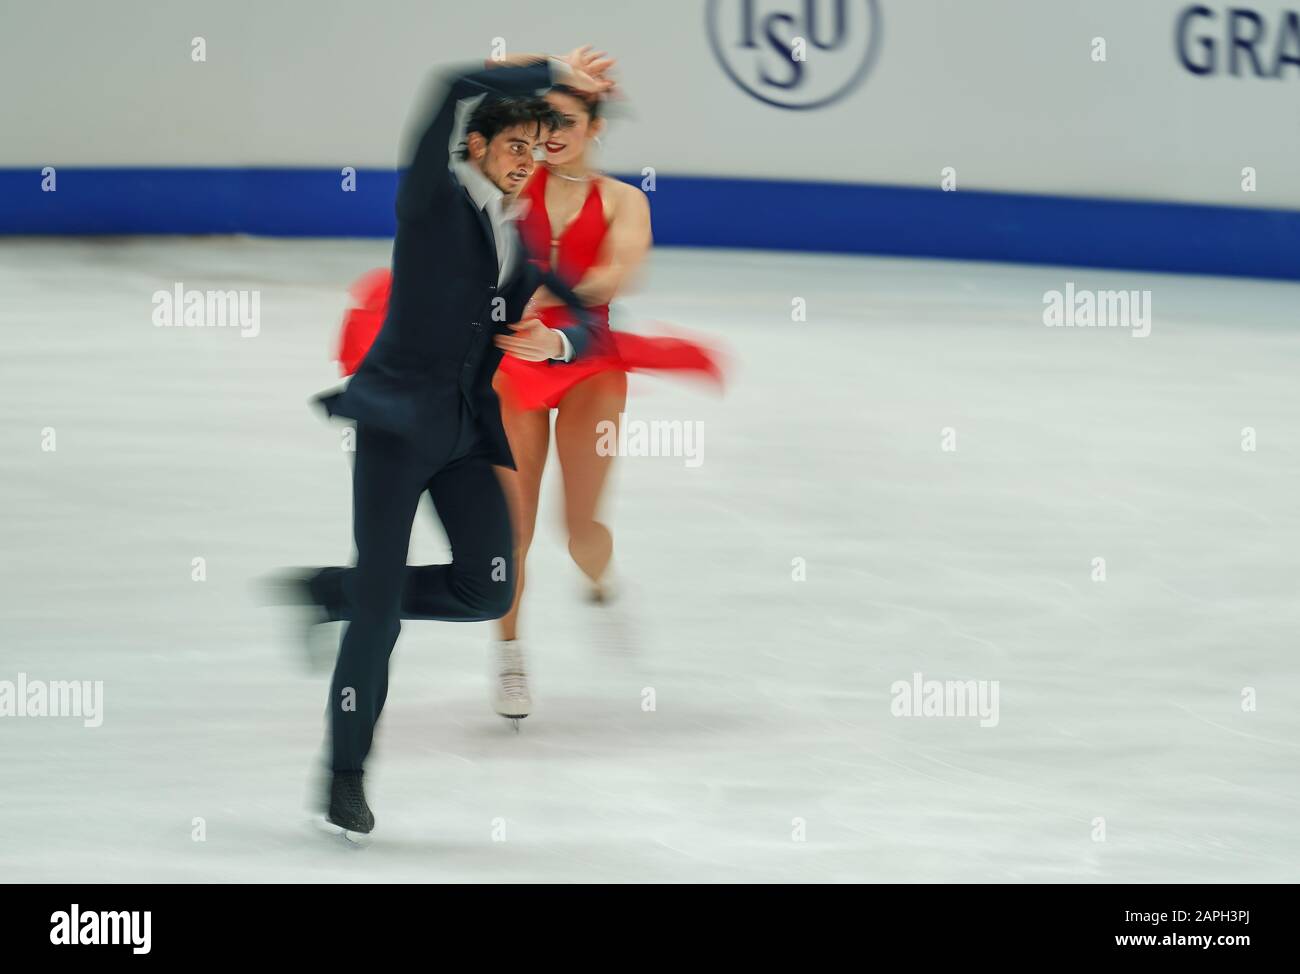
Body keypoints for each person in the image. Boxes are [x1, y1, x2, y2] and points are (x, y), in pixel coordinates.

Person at [332, 68, 723, 726]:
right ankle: (510, 653)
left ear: (595, 129)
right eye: (542, 127)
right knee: (510, 530)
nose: (550, 137)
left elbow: (615, 272)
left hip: (586, 361)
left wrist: (543, 299)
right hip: (515, 363)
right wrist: (551, 72)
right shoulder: (511, 183)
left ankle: (599, 580)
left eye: (568, 123)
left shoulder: (623, 201)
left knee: (582, 532)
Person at [298, 48, 615, 843]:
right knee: (383, 621)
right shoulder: (430, 201)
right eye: (514, 146)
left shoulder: (523, 241)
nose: (525, 162)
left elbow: (584, 315)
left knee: (488, 588)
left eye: (536, 150)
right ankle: (344, 775)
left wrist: (558, 344)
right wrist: (544, 74)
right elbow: (446, 89)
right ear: (476, 147)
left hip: (467, 437)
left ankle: (339, 591)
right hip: (396, 431)